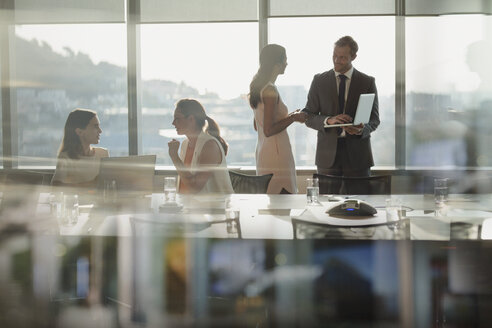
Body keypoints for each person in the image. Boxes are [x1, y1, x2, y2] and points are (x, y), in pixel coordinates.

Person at [304, 36, 380, 177]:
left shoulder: (367, 82)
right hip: (327, 157)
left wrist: (361, 129)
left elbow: (374, 120)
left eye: (343, 57)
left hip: (358, 156)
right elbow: (308, 117)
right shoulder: (319, 81)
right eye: (334, 56)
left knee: (359, 199)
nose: (337, 60)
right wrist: (328, 120)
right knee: (326, 199)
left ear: (354, 57)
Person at [249, 44, 307, 194]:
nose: (287, 63)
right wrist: (293, 118)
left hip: (264, 150)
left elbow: (258, 126)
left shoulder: (259, 88)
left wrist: (288, 117)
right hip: (277, 153)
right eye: (285, 59)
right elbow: (269, 130)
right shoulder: (270, 90)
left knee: (271, 199)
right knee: (282, 198)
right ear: (277, 63)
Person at [168, 98, 233, 194]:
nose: (173, 123)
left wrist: (174, 157)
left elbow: (195, 187)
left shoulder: (210, 145)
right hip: (190, 206)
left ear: (191, 119)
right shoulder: (185, 144)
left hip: (215, 207)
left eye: (177, 119)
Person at [52, 108, 109, 187]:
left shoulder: (103, 154)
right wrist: (91, 184)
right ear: (80, 132)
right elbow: (56, 186)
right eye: (95, 126)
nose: (100, 131)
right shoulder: (66, 158)